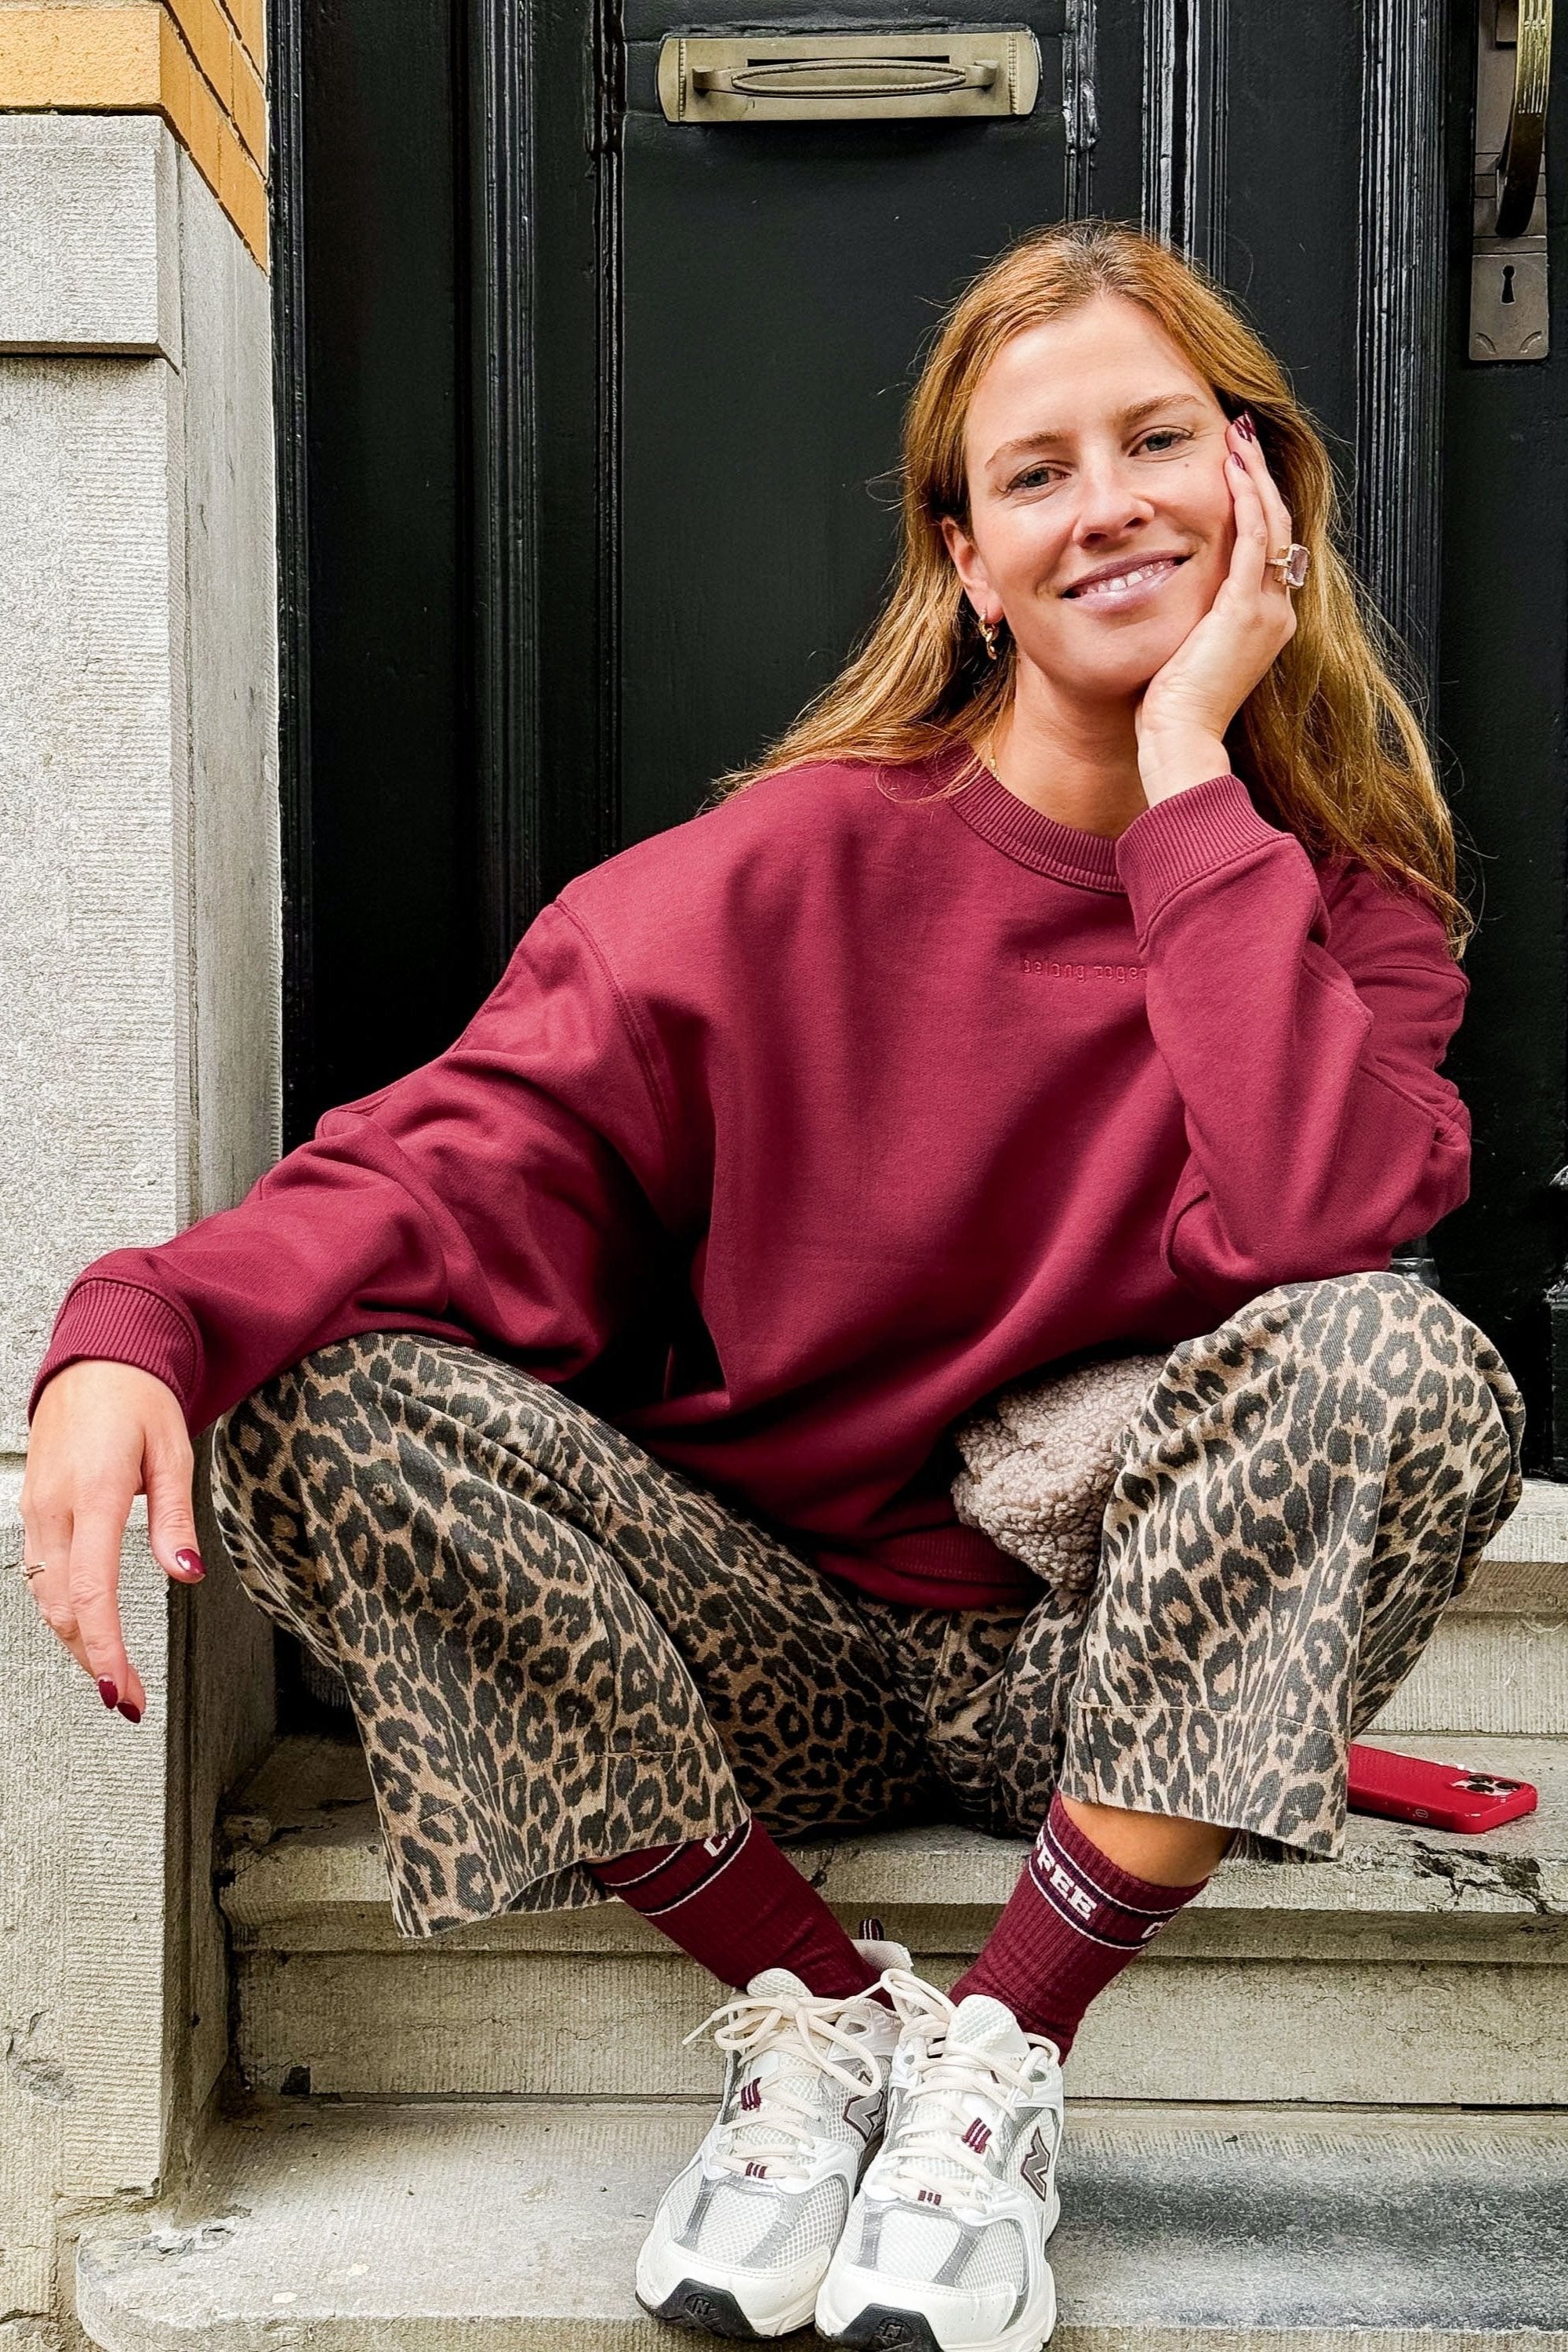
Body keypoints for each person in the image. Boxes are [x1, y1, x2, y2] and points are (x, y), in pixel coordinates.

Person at [18, 220, 1524, 2352]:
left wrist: (1197, 771)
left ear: (1259, 485)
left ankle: (996, 2064)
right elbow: (445, 1168)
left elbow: (1305, 1231)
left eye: (1158, 441)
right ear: (970, 561)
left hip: (1102, 1670)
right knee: (306, 1398)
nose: (1108, 504)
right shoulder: (775, 877)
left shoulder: (1348, 922)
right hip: (765, 1649)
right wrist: (139, 1331)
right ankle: (818, 2020)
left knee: (1399, 1361)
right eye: (1036, 473)